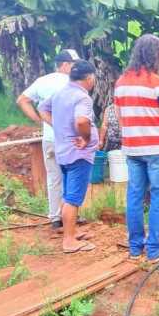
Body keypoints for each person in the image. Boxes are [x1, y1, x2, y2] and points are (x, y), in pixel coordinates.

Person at [114, 34, 159, 262]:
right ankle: (154, 249)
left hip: (132, 149)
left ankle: (135, 248)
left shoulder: (121, 82)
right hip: (157, 150)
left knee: (134, 196)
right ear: (154, 54)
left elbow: (119, 116)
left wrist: (132, 137)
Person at [39, 60, 100, 253]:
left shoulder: (60, 93)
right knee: (73, 198)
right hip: (78, 154)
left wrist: (57, 125)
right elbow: (82, 121)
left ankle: (71, 233)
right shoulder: (82, 98)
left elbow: (42, 108)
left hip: (63, 152)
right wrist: (85, 137)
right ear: (89, 78)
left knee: (68, 194)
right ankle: (69, 242)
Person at [16, 49, 80, 229]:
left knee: (54, 177)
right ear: (65, 65)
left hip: (50, 138)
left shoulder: (42, 81)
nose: (75, 68)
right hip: (70, 138)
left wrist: (39, 120)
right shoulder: (73, 82)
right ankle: (72, 215)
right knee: (72, 176)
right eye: (74, 64)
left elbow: (22, 100)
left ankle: (55, 217)